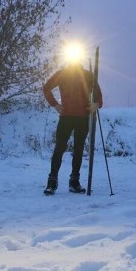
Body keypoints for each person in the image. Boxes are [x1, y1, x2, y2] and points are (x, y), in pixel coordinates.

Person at [42, 58, 103, 195]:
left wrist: (96, 105)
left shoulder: (88, 75)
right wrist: (55, 104)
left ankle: (74, 182)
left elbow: (98, 95)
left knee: (79, 150)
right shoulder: (62, 74)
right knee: (59, 149)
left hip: (84, 118)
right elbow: (46, 88)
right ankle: (52, 182)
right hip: (66, 118)